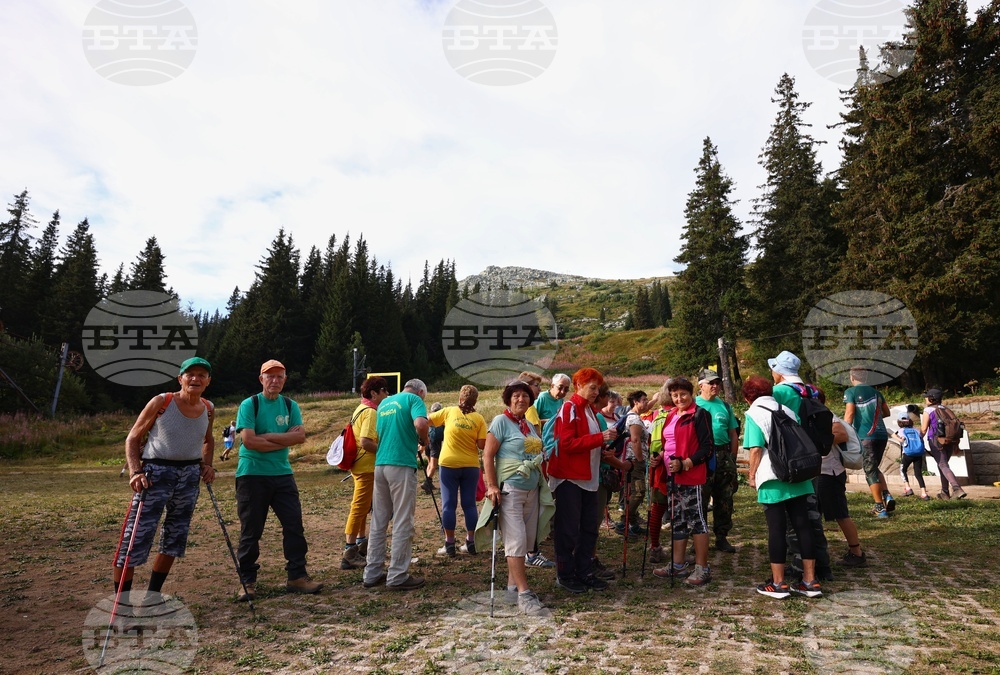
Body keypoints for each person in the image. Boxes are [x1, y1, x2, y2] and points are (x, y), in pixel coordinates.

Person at [113, 357, 216, 602]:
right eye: (190, 374)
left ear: (208, 381)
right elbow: (133, 438)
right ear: (180, 379)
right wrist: (135, 471)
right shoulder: (162, 401)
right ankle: (122, 607)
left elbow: (208, 439)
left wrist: (208, 465)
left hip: (189, 477)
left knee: (174, 539)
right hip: (155, 475)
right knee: (135, 539)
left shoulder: (209, 407)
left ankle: (151, 598)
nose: (195, 379)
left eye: (202, 375)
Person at [234, 359, 322, 601]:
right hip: (251, 475)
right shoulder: (249, 404)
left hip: (282, 474)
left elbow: (300, 438)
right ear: (261, 379)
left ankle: (297, 576)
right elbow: (249, 441)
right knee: (251, 530)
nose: (274, 380)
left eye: (279, 376)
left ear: (285, 380)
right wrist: (284, 438)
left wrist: (267, 438)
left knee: (294, 526)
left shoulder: (290, 405)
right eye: (269, 376)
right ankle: (247, 582)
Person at [743, 375, 822, 599]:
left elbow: (756, 449)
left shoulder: (753, 414)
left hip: (772, 477)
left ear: (748, 397)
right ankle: (810, 581)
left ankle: (778, 584)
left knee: (776, 530)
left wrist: (752, 476)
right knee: (803, 527)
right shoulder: (786, 410)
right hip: (798, 476)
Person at [481, 380, 554, 616]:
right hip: (509, 489)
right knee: (516, 539)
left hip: (531, 489)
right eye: (516, 395)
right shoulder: (501, 422)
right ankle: (524, 593)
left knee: (526, 539)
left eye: (525, 396)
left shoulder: (528, 426)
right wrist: (491, 485)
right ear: (508, 399)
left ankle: (512, 588)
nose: (521, 399)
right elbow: (487, 455)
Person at [547, 367, 618, 592]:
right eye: (592, 388)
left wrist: (604, 446)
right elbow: (566, 444)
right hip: (570, 477)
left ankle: (584, 571)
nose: (596, 392)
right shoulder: (569, 408)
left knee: (589, 528)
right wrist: (600, 438)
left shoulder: (588, 410)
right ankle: (566, 574)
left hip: (589, 477)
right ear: (578, 386)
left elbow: (588, 441)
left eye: (598, 388)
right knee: (568, 529)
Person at [767, 350, 833, 580]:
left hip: (790, 459)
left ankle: (799, 566)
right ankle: (821, 563)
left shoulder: (778, 392)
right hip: (812, 459)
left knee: (793, 517)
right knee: (811, 513)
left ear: (780, 372)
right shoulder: (810, 391)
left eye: (773, 368)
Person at [363, 378, 430, 591]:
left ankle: (371, 573)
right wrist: (424, 440)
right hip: (401, 464)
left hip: (381, 464)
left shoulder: (384, 404)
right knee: (402, 520)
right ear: (420, 392)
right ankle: (398, 575)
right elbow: (420, 424)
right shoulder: (414, 399)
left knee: (379, 520)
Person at [648, 377, 714, 586]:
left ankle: (702, 568)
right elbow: (668, 444)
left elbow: (707, 448)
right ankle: (677, 565)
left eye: (682, 394)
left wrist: (687, 463)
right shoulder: (670, 415)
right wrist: (658, 457)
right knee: (677, 519)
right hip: (671, 476)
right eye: (675, 395)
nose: (679, 399)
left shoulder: (700, 414)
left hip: (691, 475)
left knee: (696, 520)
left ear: (691, 393)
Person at [429, 385, 488, 557]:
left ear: (460, 399)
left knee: (449, 504)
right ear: (475, 401)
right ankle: (470, 541)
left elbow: (428, 421)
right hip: (470, 465)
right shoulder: (479, 419)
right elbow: (481, 445)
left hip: (449, 464)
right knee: (469, 504)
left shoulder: (449, 412)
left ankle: (449, 544)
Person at [341, 376, 390, 570]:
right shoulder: (370, 412)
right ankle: (349, 551)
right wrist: (386, 449)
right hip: (366, 467)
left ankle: (361, 544)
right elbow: (366, 441)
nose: (387, 395)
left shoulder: (360, 408)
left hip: (361, 466)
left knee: (363, 507)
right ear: (374, 393)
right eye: (384, 391)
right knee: (359, 507)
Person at [815, 388, 867, 568]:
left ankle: (856, 553)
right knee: (814, 514)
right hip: (820, 473)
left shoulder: (827, 416)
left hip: (830, 473)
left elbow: (841, 434)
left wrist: (814, 440)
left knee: (841, 515)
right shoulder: (815, 416)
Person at [695, 369, 740, 553]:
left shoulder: (725, 406)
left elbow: (733, 434)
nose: (715, 386)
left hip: (723, 456)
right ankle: (698, 538)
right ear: (701, 385)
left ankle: (721, 537)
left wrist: (732, 458)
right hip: (701, 457)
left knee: (725, 498)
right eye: (711, 383)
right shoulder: (693, 405)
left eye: (717, 383)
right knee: (701, 499)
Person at [843, 366, 894, 517]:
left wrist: (846, 430)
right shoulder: (876, 393)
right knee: (874, 467)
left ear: (852, 377)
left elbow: (850, 413)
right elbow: (887, 412)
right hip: (881, 435)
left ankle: (880, 508)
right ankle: (887, 495)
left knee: (869, 470)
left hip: (866, 436)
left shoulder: (850, 392)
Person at [613, 390, 651, 538]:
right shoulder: (634, 419)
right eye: (644, 400)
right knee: (638, 492)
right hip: (634, 461)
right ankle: (624, 523)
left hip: (632, 460)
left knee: (634, 492)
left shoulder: (632, 417)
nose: (646, 403)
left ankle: (633, 524)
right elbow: (635, 440)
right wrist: (640, 460)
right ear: (636, 402)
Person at [920, 388, 967, 500]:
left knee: (943, 464)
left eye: (927, 397)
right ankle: (944, 492)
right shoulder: (946, 409)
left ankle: (957, 488)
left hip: (936, 440)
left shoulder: (928, 410)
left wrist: (918, 439)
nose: (925, 399)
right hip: (950, 441)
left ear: (931, 399)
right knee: (942, 464)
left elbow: (923, 429)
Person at [896, 413, 930, 500]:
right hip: (918, 453)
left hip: (908, 454)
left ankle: (908, 488)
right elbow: (921, 437)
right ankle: (924, 493)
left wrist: (894, 436)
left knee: (903, 470)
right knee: (918, 473)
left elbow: (902, 439)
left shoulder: (901, 430)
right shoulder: (916, 430)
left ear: (899, 422)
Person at [421, 402, 444, 494]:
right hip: (435, 443)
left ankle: (428, 483)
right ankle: (427, 482)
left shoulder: (428, 417)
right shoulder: (440, 419)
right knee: (434, 465)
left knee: (430, 464)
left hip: (427, 442)